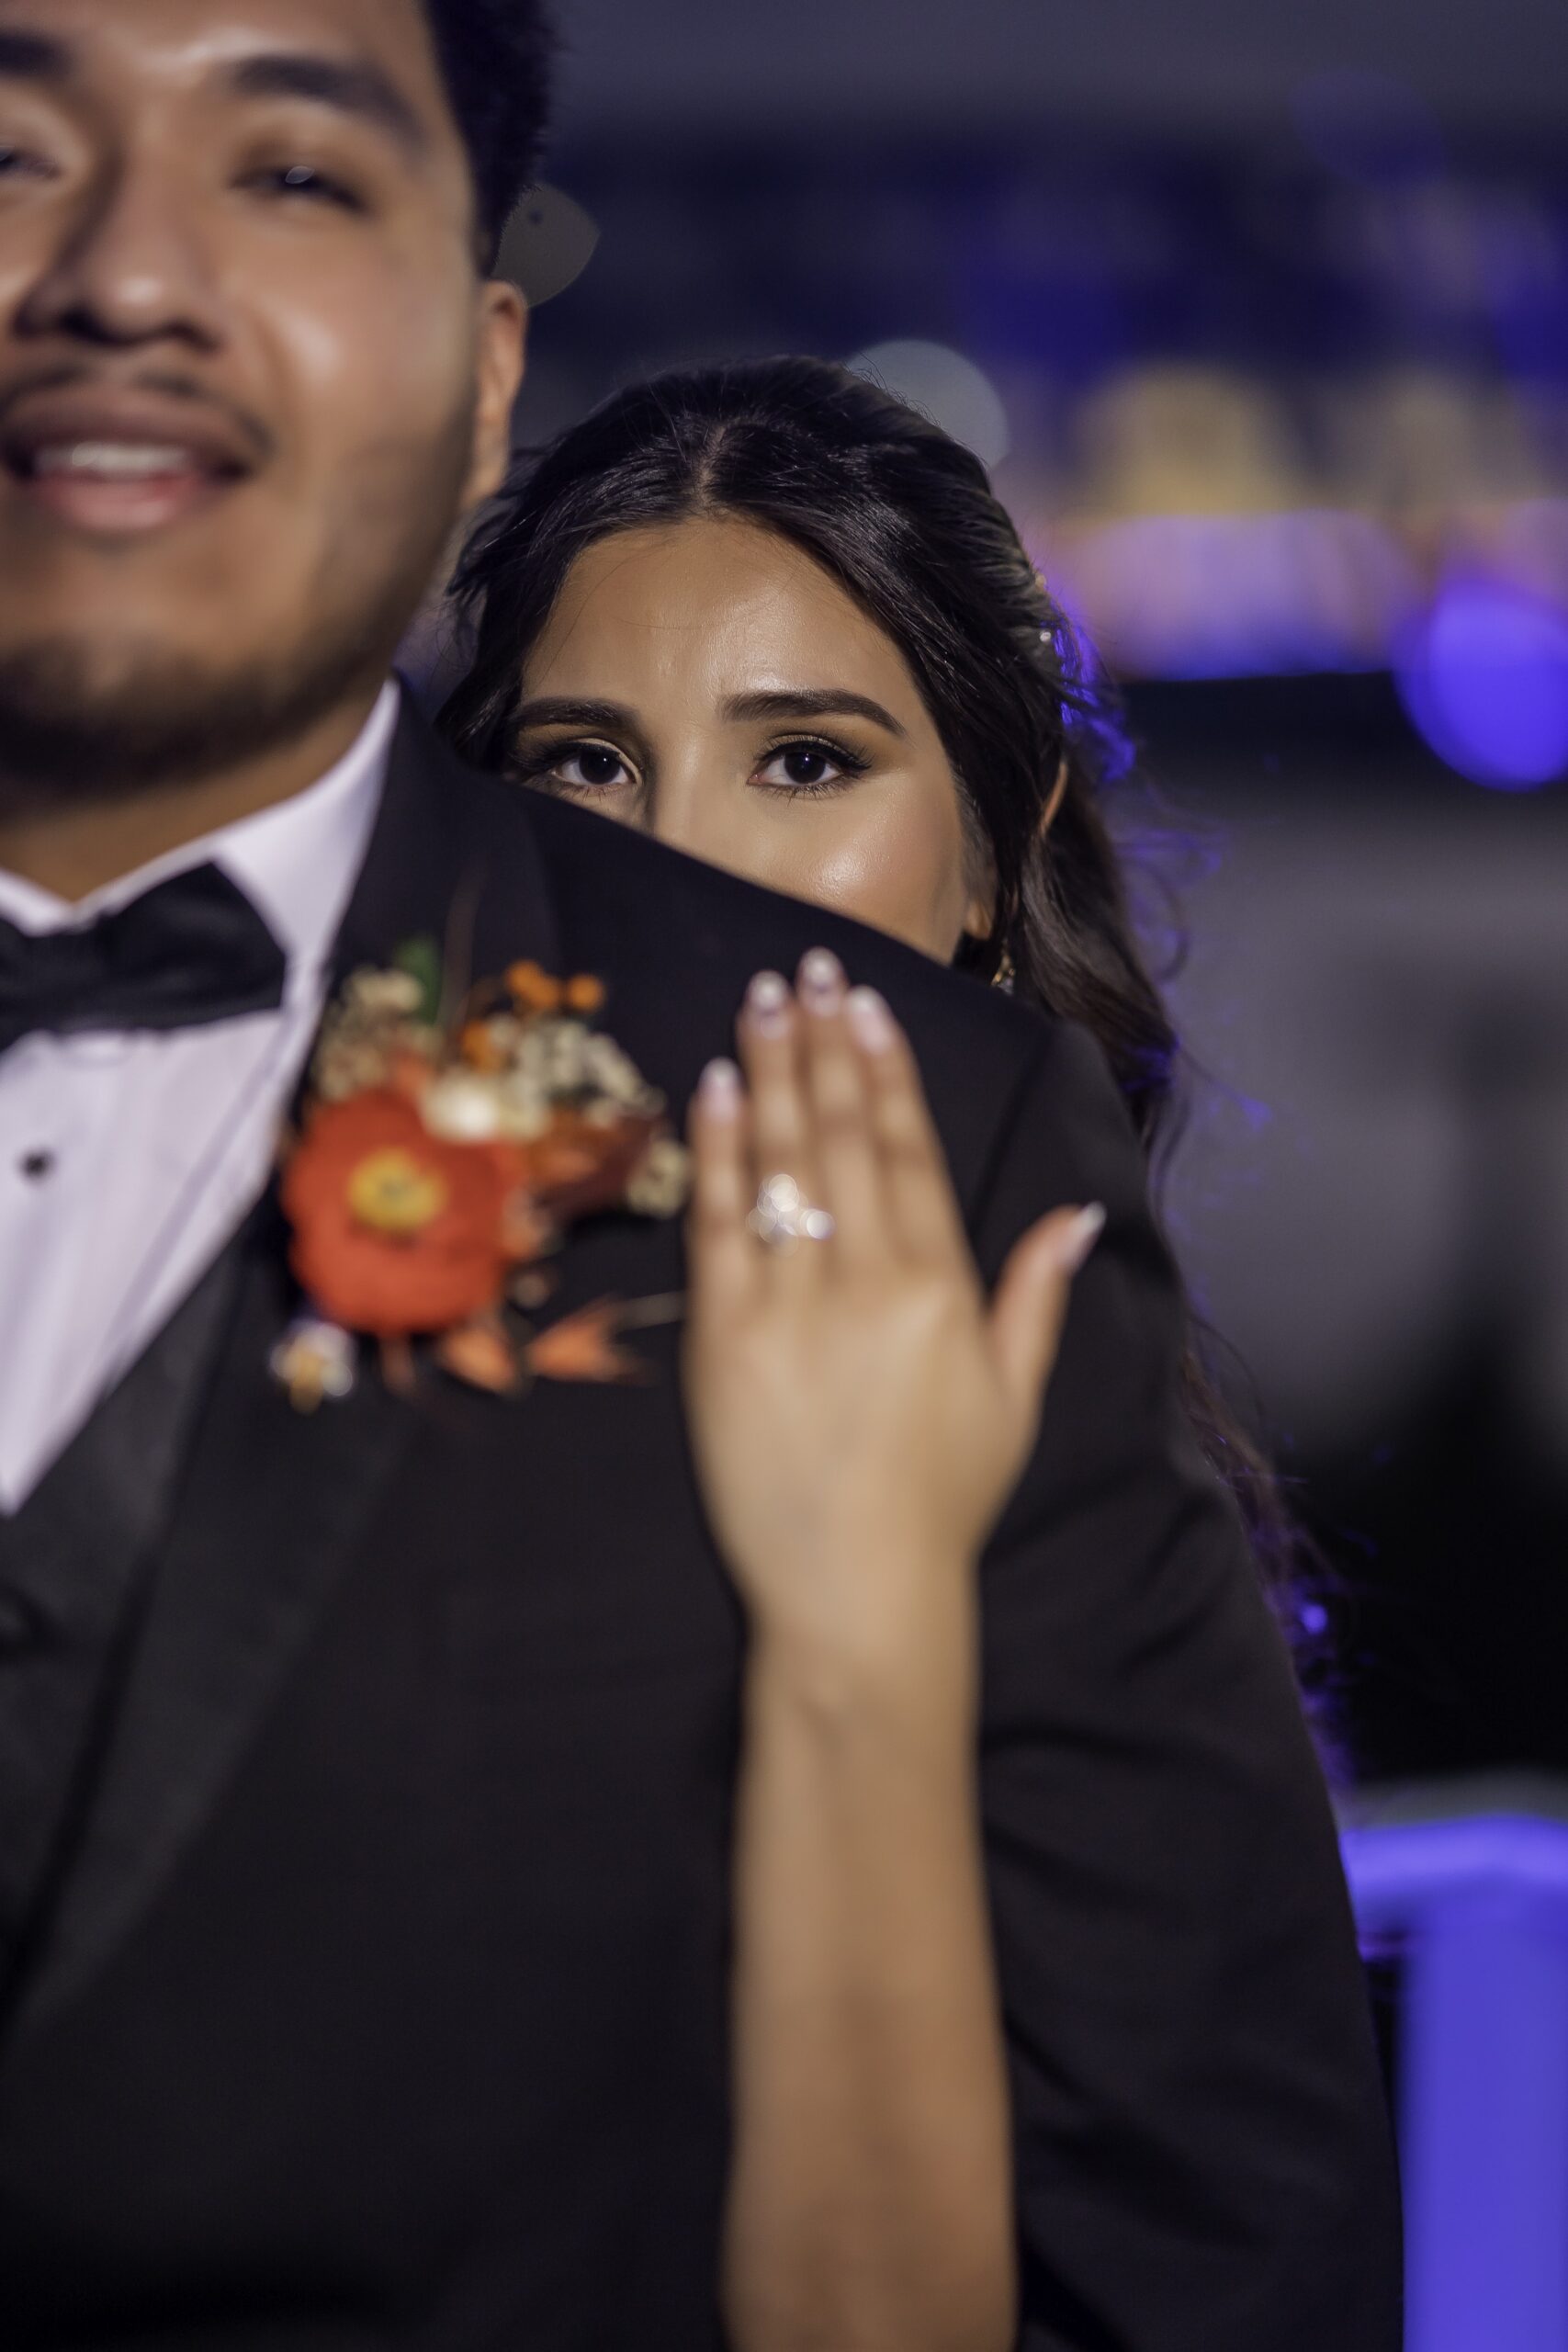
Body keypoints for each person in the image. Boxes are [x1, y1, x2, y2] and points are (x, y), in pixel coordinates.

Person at [0, 13, 1399, 2352]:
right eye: (585, 759)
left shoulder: (980, 1182)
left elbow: (1198, 2243)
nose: (131, 273)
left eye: (805, 760)